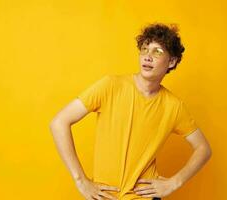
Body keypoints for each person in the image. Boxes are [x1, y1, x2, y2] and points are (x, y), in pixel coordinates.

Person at [49, 22, 212, 200]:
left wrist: (174, 182)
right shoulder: (110, 86)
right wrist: (80, 180)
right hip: (105, 196)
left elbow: (203, 148)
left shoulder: (173, 106)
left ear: (171, 61)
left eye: (157, 52)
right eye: (144, 49)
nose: (148, 57)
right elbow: (59, 123)